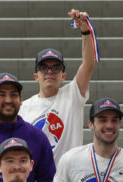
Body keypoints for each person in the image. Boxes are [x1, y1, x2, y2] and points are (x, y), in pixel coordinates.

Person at [19, 9, 97, 168]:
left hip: (70, 181)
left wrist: (85, 29)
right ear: (36, 76)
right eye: (44, 67)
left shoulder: (73, 94)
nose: (49, 71)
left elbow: (89, 63)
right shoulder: (22, 108)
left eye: (56, 68)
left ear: (63, 76)